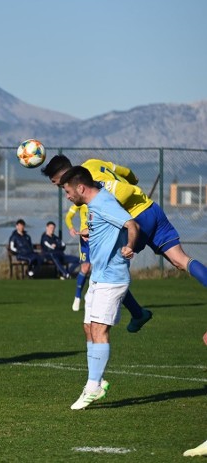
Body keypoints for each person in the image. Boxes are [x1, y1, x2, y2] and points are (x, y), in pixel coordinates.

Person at [43, 154, 207, 328]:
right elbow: (127, 173)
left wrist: (95, 225)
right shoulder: (94, 163)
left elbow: (119, 193)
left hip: (133, 221)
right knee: (180, 260)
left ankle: (138, 314)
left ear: (63, 175)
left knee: (109, 270)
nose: (59, 187)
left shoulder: (86, 188)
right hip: (150, 208)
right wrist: (133, 181)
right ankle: (138, 314)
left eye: (57, 183)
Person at [59, 166, 140, 410]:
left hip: (112, 278)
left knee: (99, 329)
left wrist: (130, 247)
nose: (67, 196)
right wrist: (87, 231)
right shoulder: (93, 207)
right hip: (98, 277)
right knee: (88, 327)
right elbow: (104, 226)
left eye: (67, 191)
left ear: (80, 188)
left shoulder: (104, 202)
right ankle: (97, 379)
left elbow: (132, 225)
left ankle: (93, 385)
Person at [65, 203, 92, 311]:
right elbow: (68, 217)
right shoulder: (80, 201)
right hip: (85, 239)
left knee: (101, 266)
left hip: (98, 237)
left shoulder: (99, 197)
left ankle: (91, 294)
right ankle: (77, 296)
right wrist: (71, 228)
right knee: (85, 267)